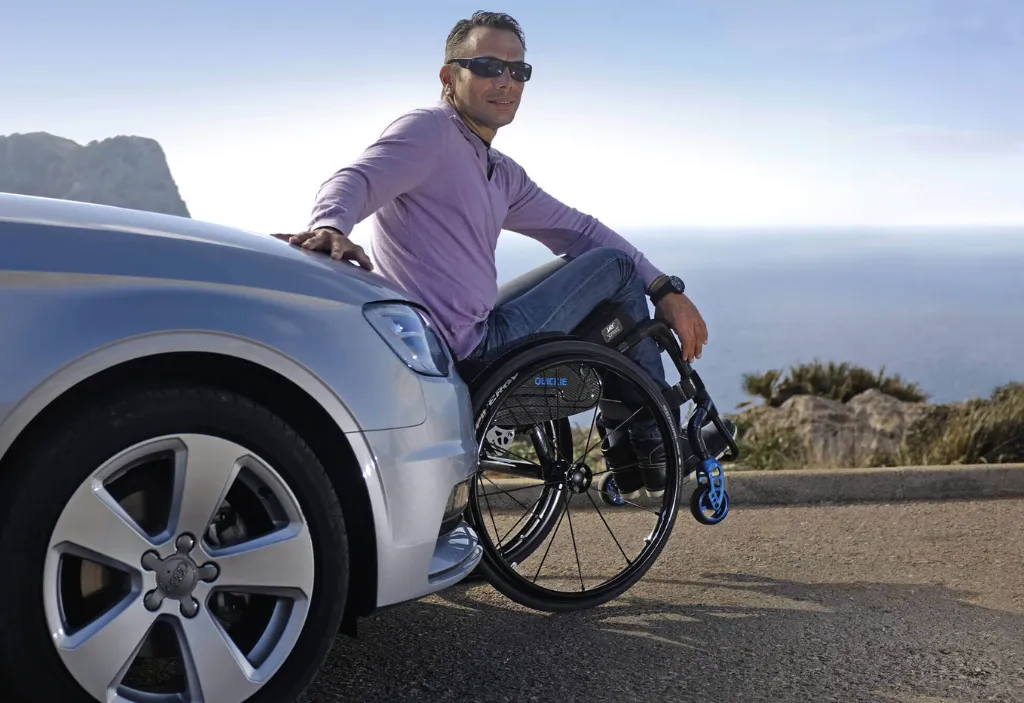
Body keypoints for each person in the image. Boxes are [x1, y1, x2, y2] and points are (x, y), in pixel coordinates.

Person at [273, 11, 731, 501]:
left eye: (519, 71)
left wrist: (665, 288)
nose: (506, 82)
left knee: (593, 260)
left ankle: (641, 440)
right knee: (616, 270)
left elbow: (579, 230)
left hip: (469, 329)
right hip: (469, 349)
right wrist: (330, 225)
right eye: (489, 66)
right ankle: (652, 446)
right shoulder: (429, 132)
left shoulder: (498, 169)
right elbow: (357, 177)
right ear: (451, 76)